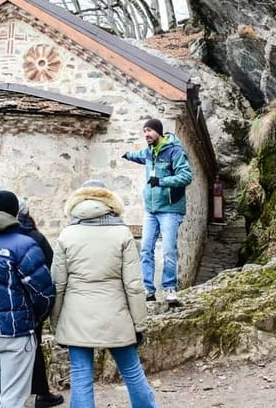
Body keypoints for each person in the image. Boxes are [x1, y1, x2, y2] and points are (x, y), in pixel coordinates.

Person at [51, 180, 156, 408]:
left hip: (76, 316)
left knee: (80, 375)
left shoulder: (67, 235)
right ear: (109, 201)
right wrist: (139, 324)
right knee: (131, 371)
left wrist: (56, 322)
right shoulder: (122, 233)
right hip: (115, 315)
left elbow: (58, 284)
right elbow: (134, 285)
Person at [0, 190, 54, 408]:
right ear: (15, 211)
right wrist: (34, 318)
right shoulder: (24, 245)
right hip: (16, 331)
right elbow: (43, 292)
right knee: (12, 398)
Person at [122, 118, 193, 305]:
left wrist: (162, 181)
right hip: (151, 210)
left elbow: (186, 176)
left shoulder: (174, 152)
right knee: (146, 249)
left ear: (158, 132)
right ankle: (148, 289)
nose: (146, 135)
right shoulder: (148, 152)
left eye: (149, 131)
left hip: (170, 209)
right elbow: (139, 156)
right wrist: (127, 154)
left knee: (169, 250)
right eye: (144, 131)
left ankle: (170, 289)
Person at [17, 199, 63, 408]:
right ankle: (41, 393)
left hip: (5, 304)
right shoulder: (35, 238)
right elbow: (51, 265)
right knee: (33, 348)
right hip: (32, 303)